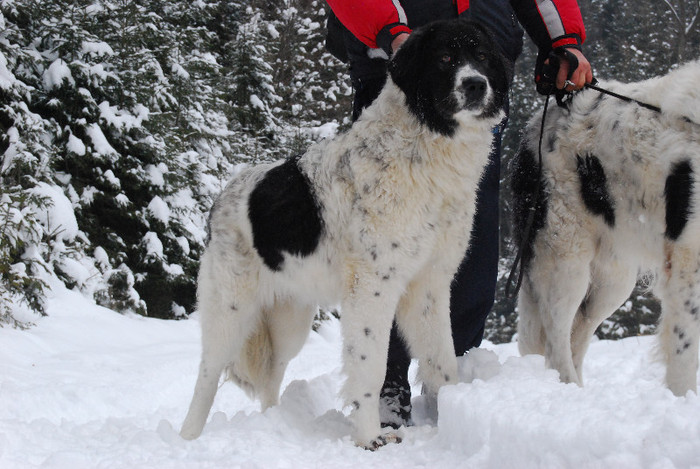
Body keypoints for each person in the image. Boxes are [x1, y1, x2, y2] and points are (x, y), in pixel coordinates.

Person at [324, 0, 594, 428]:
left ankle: (454, 378)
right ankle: (383, 385)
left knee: (466, 256)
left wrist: (563, 41)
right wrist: (391, 30)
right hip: (398, 79)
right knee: (383, 259)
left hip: (479, 86)